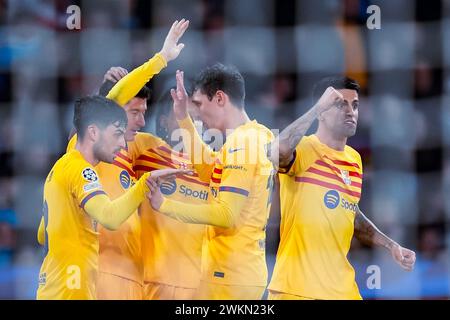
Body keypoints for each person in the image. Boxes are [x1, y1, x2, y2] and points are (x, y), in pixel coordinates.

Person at [37, 19, 190, 300]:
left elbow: (42, 233)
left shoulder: (66, 168)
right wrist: (161, 59)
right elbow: (109, 216)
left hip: (92, 283)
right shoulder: (79, 166)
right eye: (119, 128)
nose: (122, 141)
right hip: (83, 287)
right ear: (96, 129)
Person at [267, 76, 416, 300]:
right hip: (297, 289)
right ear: (322, 111)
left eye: (355, 105)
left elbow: (350, 214)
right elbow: (276, 153)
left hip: (343, 290)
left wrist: (390, 245)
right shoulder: (304, 148)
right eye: (340, 104)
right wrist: (316, 107)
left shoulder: (354, 160)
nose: (350, 111)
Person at [147, 65, 275, 300]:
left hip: (229, 276)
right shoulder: (258, 134)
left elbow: (226, 215)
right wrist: (183, 119)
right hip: (239, 271)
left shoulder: (243, 144)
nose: (197, 113)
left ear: (219, 98)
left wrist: (165, 205)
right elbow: (209, 171)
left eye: (198, 103)